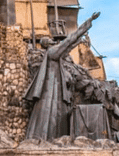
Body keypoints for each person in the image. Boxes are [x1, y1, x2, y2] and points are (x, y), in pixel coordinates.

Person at [23, 11, 100, 141]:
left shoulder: (55, 55)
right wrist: (87, 23)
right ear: (48, 45)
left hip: (55, 90)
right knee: (50, 119)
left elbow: (68, 46)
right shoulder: (53, 52)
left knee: (55, 118)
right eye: (52, 41)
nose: (55, 43)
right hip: (51, 92)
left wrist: (80, 41)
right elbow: (68, 40)